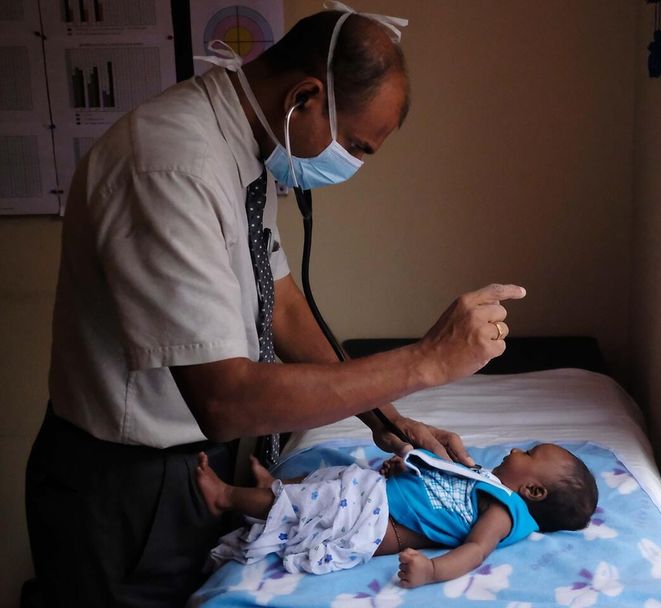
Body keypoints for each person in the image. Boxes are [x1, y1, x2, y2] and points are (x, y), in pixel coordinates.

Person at [25, 6, 525, 607]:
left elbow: (280, 305)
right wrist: (426, 361)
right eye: (358, 146)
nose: (355, 166)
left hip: (190, 468)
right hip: (125, 488)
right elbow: (225, 399)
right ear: (305, 98)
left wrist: (387, 419)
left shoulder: (245, 151)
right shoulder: (172, 167)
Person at [196, 443, 599, 587]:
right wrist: (405, 468)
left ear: (532, 491)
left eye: (528, 454)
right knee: (330, 479)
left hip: (381, 523)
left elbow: (476, 550)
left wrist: (432, 571)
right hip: (377, 493)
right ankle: (274, 489)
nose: (514, 450)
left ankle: (229, 497)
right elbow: (437, 486)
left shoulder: (505, 512)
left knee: (316, 504)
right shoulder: (484, 479)